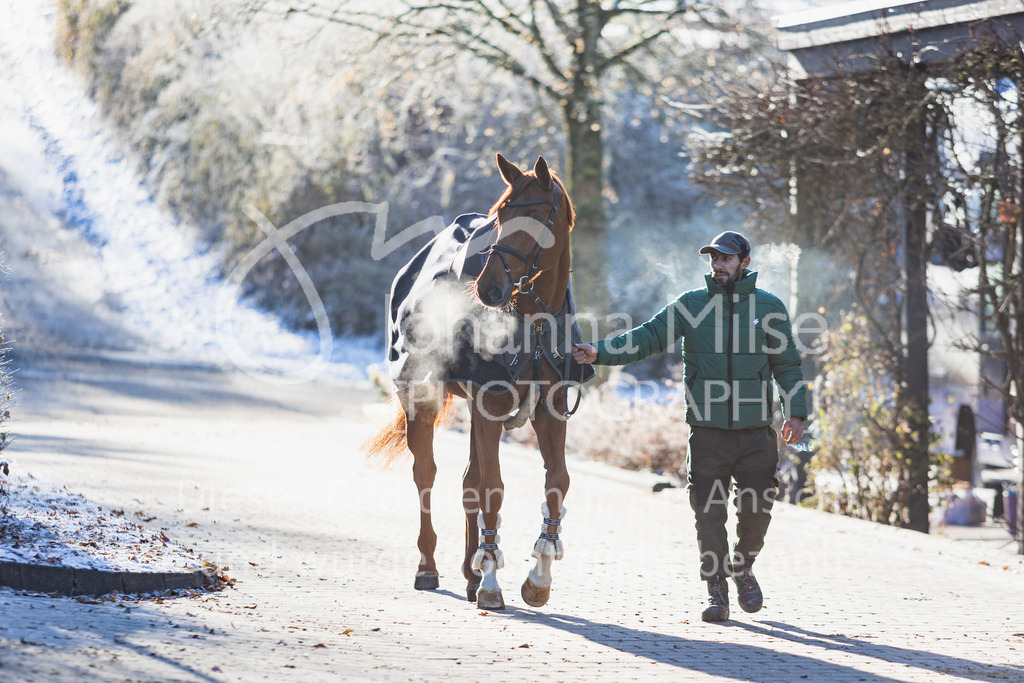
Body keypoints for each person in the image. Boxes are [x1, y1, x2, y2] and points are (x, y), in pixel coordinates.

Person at [572, 231, 807, 622]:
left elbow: (788, 364)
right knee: (707, 510)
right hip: (708, 429)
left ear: (744, 263)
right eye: (714, 258)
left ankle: (743, 567)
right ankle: (717, 588)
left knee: (757, 508)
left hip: (756, 430)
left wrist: (796, 413)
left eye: (727, 258)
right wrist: (600, 351)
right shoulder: (690, 305)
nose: (719, 264)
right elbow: (646, 338)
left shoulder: (769, 308)